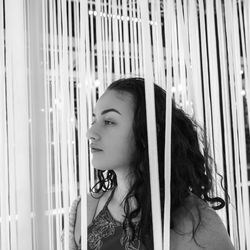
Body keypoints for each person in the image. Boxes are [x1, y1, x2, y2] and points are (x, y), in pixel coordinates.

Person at [63, 78, 235, 250]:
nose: (90, 132)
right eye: (94, 121)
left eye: (109, 121)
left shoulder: (196, 223)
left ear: (148, 132)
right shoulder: (85, 209)